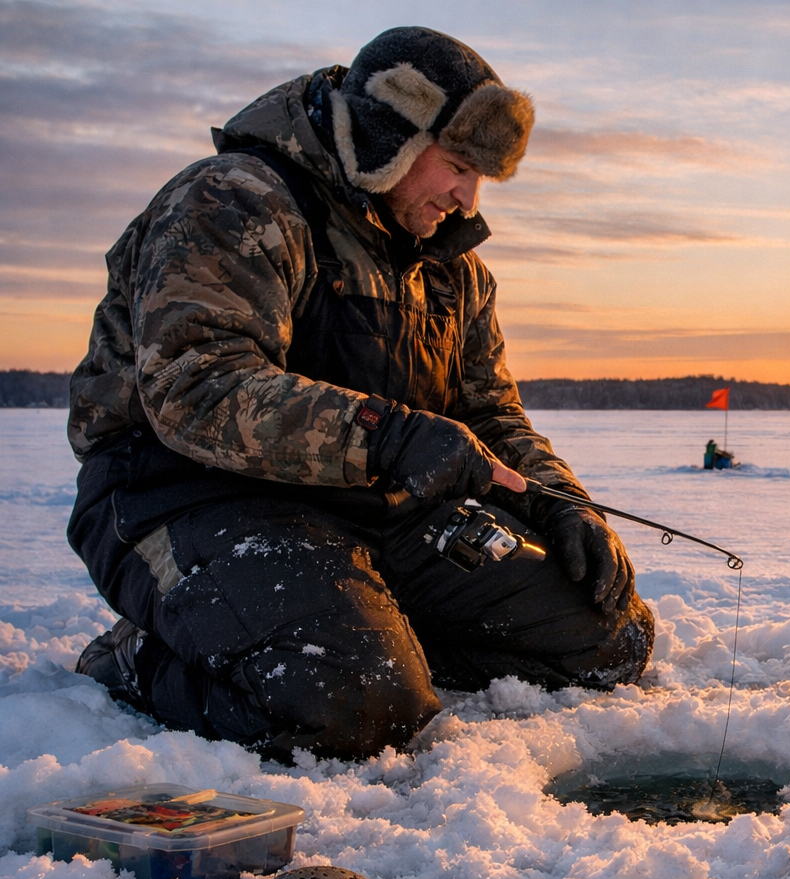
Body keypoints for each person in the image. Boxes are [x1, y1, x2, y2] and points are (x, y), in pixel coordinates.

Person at [67, 27, 654, 760]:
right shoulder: (236, 201)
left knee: (608, 638)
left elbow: (488, 413)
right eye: (458, 167)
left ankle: (362, 628)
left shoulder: (452, 269)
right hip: (187, 496)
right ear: (391, 139)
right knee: (358, 711)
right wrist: (388, 435)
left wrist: (557, 501)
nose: (466, 199)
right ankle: (142, 659)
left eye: (482, 180)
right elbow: (198, 387)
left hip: (376, 513)